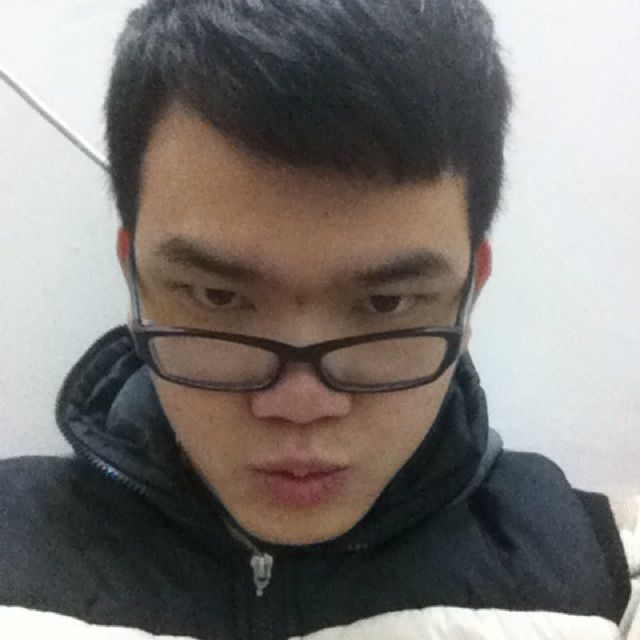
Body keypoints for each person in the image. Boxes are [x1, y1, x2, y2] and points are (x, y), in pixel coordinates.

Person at [1, 0, 638, 638]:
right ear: (134, 279)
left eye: (386, 304)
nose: (300, 405)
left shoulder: (593, 589)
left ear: (469, 294)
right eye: (218, 297)